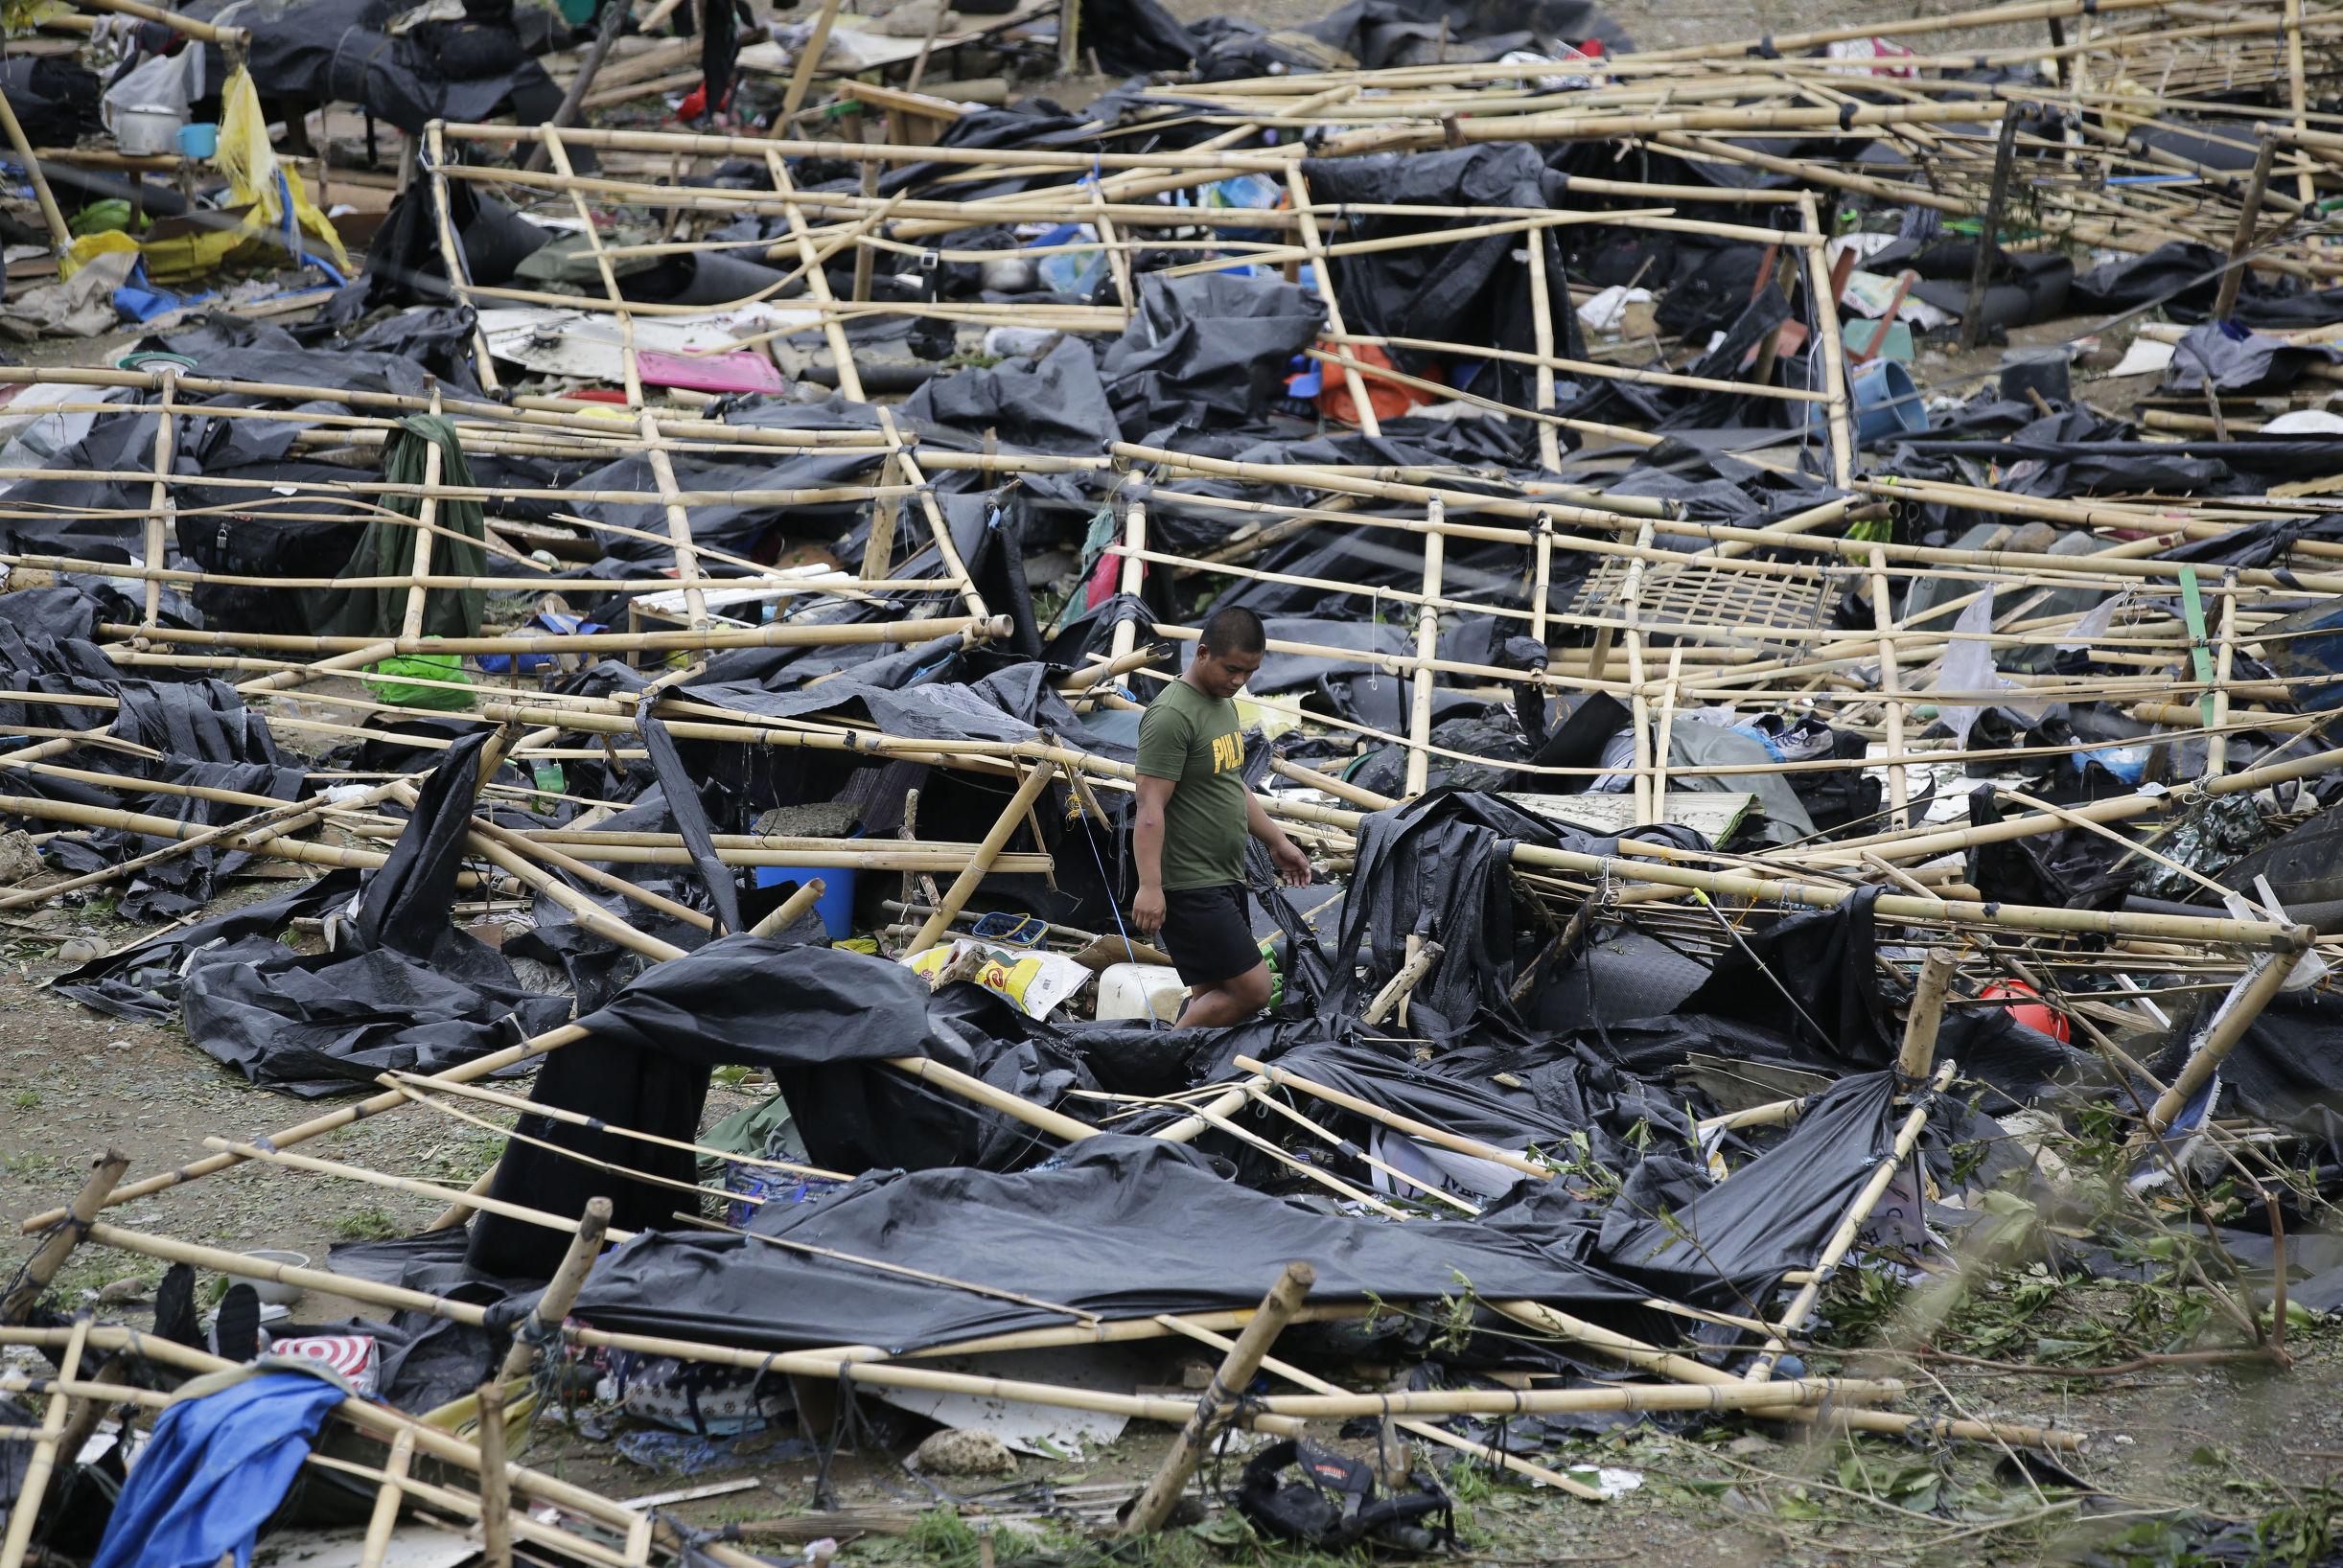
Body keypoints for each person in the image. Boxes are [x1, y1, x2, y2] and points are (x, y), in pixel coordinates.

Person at [1129, 606, 1311, 1026]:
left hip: (1225, 875)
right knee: (1254, 990)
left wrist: (1277, 841)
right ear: (1203, 652)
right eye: (1232, 669)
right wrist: (1150, 886)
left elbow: (1233, 785)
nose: (1239, 681)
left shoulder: (1223, 703)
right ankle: (1161, 1058)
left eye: (1249, 672)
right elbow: (1149, 806)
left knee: (1214, 993)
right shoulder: (1172, 715)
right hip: (1189, 884)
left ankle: (1191, 1071)